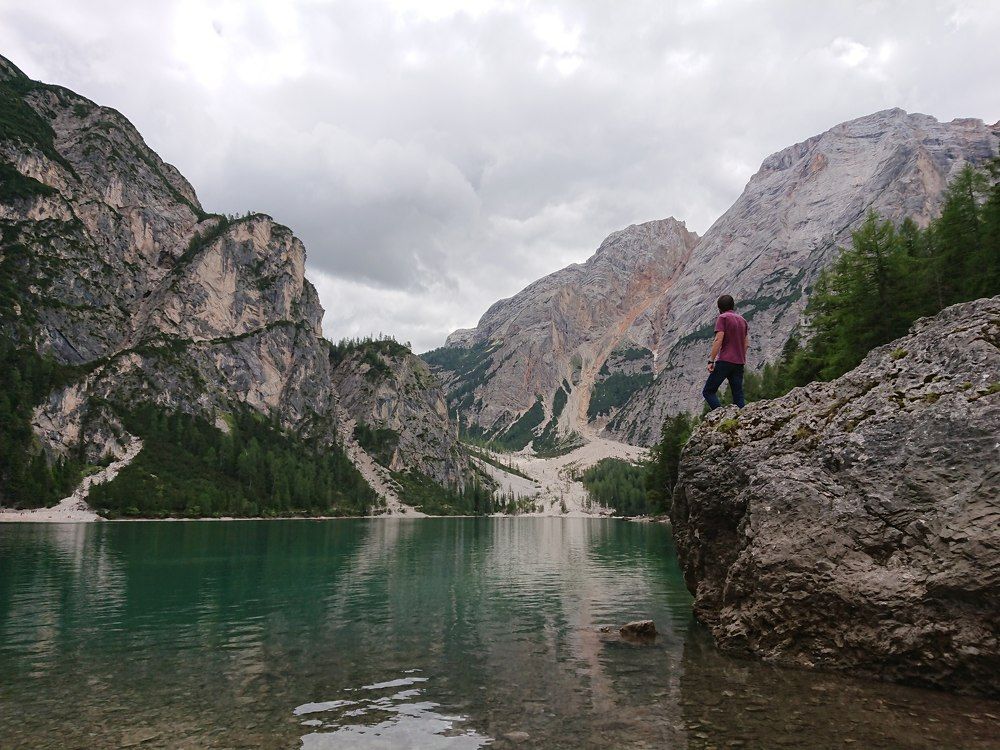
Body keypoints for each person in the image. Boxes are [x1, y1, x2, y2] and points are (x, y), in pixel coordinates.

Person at [702, 294, 749, 410]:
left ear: (719, 308)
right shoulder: (743, 321)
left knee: (708, 391)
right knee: (738, 395)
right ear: (733, 306)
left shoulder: (723, 318)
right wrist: (740, 356)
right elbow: (746, 344)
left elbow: (718, 339)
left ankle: (720, 416)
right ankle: (741, 420)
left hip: (725, 361)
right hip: (739, 363)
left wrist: (711, 360)